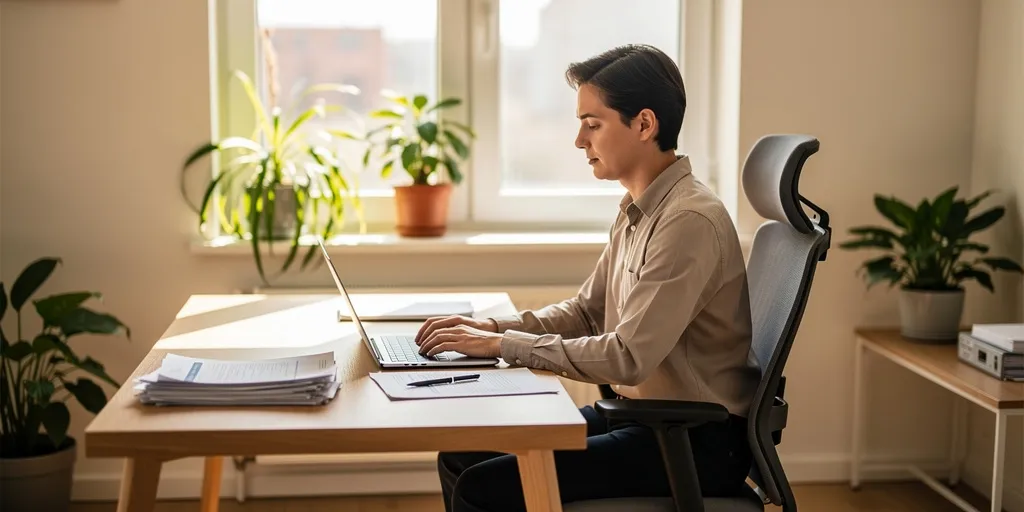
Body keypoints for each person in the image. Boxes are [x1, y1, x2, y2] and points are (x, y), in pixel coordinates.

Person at [414, 43, 761, 512]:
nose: (580, 141)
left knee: (484, 488)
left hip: (694, 441)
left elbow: (627, 357)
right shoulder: (638, 208)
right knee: (462, 456)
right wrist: (492, 330)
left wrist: (502, 348)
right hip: (643, 419)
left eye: (592, 125)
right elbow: (586, 311)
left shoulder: (688, 222)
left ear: (643, 124)